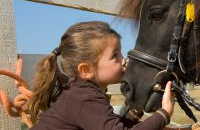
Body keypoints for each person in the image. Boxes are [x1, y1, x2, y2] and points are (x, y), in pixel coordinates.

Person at [28, 21, 175, 130]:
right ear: (86, 70)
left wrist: (134, 112)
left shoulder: (81, 93)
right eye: (114, 55)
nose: (123, 59)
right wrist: (164, 114)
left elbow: (110, 124)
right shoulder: (85, 99)